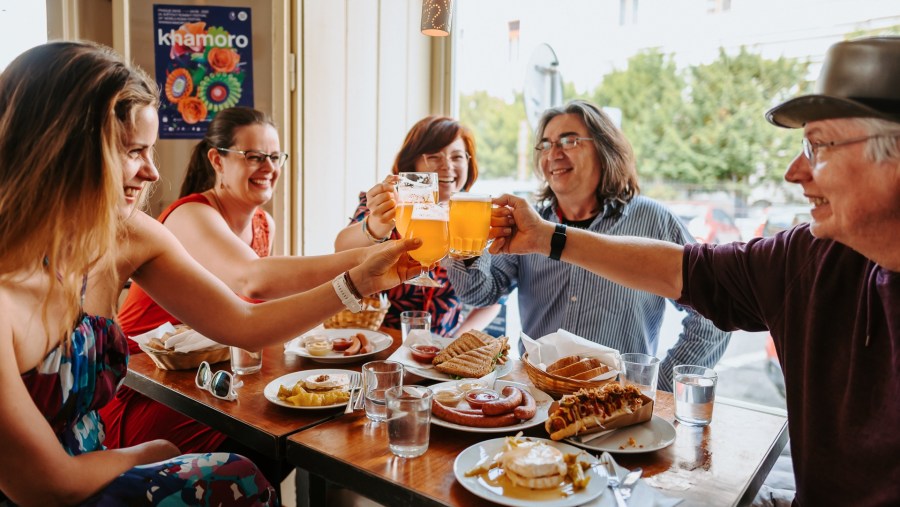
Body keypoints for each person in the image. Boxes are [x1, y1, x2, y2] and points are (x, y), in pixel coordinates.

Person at [0, 41, 420, 506]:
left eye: (151, 150)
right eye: (134, 151)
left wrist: (364, 276)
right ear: (63, 146)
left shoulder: (124, 233)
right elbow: (42, 485)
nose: (153, 172)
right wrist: (150, 453)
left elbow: (243, 322)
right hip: (64, 486)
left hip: (101, 461)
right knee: (238, 473)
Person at [486, 37, 900, 507]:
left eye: (819, 145)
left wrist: (656, 394)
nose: (793, 171)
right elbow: (686, 270)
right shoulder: (809, 257)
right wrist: (546, 237)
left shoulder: (659, 216)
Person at [100, 107, 371, 482]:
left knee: (304, 430)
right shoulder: (190, 215)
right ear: (217, 160)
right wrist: (362, 263)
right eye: (254, 156)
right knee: (266, 447)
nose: (268, 167)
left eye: (275, 157)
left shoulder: (263, 224)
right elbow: (253, 280)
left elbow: (256, 312)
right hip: (152, 387)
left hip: (210, 380)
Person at [445, 100, 730, 391]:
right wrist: (466, 242)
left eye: (568, 141)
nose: (553, 154)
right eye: (545, 144)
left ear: (604, 149)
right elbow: (479, 293)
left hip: (615, 410)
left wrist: (661, 385)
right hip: (537, 399)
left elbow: (714, 312)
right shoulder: (529, 223)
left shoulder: (654, 220)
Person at [334, 115, 500, 337]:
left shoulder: (473, 215)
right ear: (412, 164)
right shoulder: (391, 203)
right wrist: (377, 223)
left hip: (440, 349)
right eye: (434, 156)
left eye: (457, 156)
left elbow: (493, 299)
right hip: (382, 342)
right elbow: (342, 248)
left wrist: (457, 341)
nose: (447, 166)